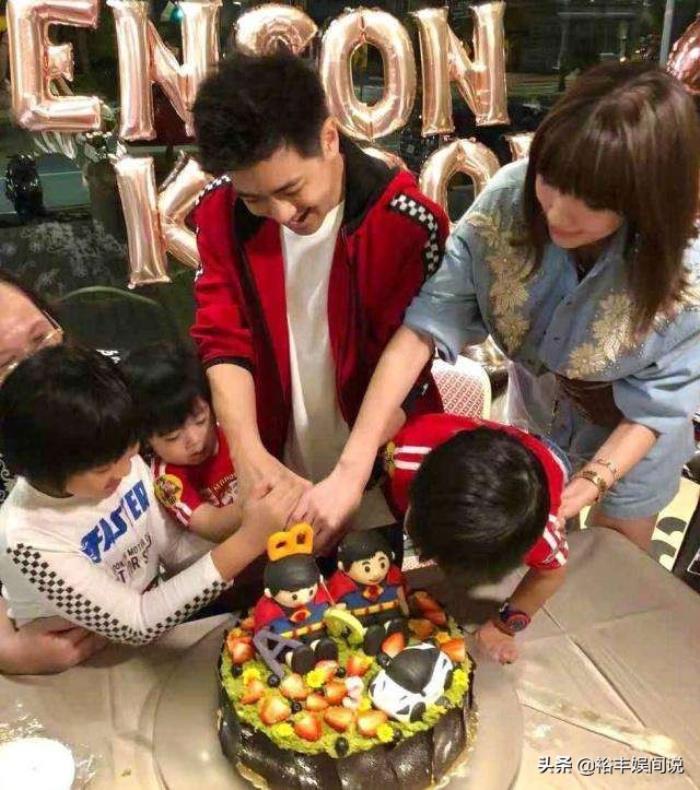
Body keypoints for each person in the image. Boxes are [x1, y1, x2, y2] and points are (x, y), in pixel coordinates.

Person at [302, 62, 700, 554]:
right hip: (538, 407)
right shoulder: (510, 200)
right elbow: (423, 330)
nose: (557, 212)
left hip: (632, 436)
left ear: (647, 200)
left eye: (593, 201)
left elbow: (658, 406)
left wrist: (592, 482)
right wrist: (351, 468)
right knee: (530, 547)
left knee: (608, 560)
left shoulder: (686, 270)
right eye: (550, 178)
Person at [190, 52, 448, 558]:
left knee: (374, 588)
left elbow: (408, 364)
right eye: (255, 199)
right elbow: (222, 337)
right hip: (272, 467)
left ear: (329, 138)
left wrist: (353, 474)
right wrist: (247, 454)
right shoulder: (221, 208)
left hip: (377, 464)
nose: (280, 213)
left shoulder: (405, 223)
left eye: (290, 189)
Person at [0, 345, 303, 647]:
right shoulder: (26, 539)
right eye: (104, 468)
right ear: (45, 469)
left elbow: (175, 550)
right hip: (91, 661)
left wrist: (263, 529)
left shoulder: (111, 447)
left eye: (131, 453)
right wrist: (250, 539)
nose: (125, 471)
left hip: (162, 629)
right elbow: (138, 622)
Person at [382, 412, 569, 662]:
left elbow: (551, 575)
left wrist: (504, 627)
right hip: (441, 436)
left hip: (548, 457)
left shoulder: (543, 535)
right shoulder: (402, 458)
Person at [0, 270, 107, 673]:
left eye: (41, 338)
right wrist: (9, 652)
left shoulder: (108, 386)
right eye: (7, 365)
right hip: (55, 656)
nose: (40, 369)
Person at [119, 342, 241, 542]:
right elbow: (211, 525)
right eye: (172, 437)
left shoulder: (233, 427)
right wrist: (254, 505)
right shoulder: (167, 480)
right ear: (147, 440)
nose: (195, 440)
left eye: (200, 420)